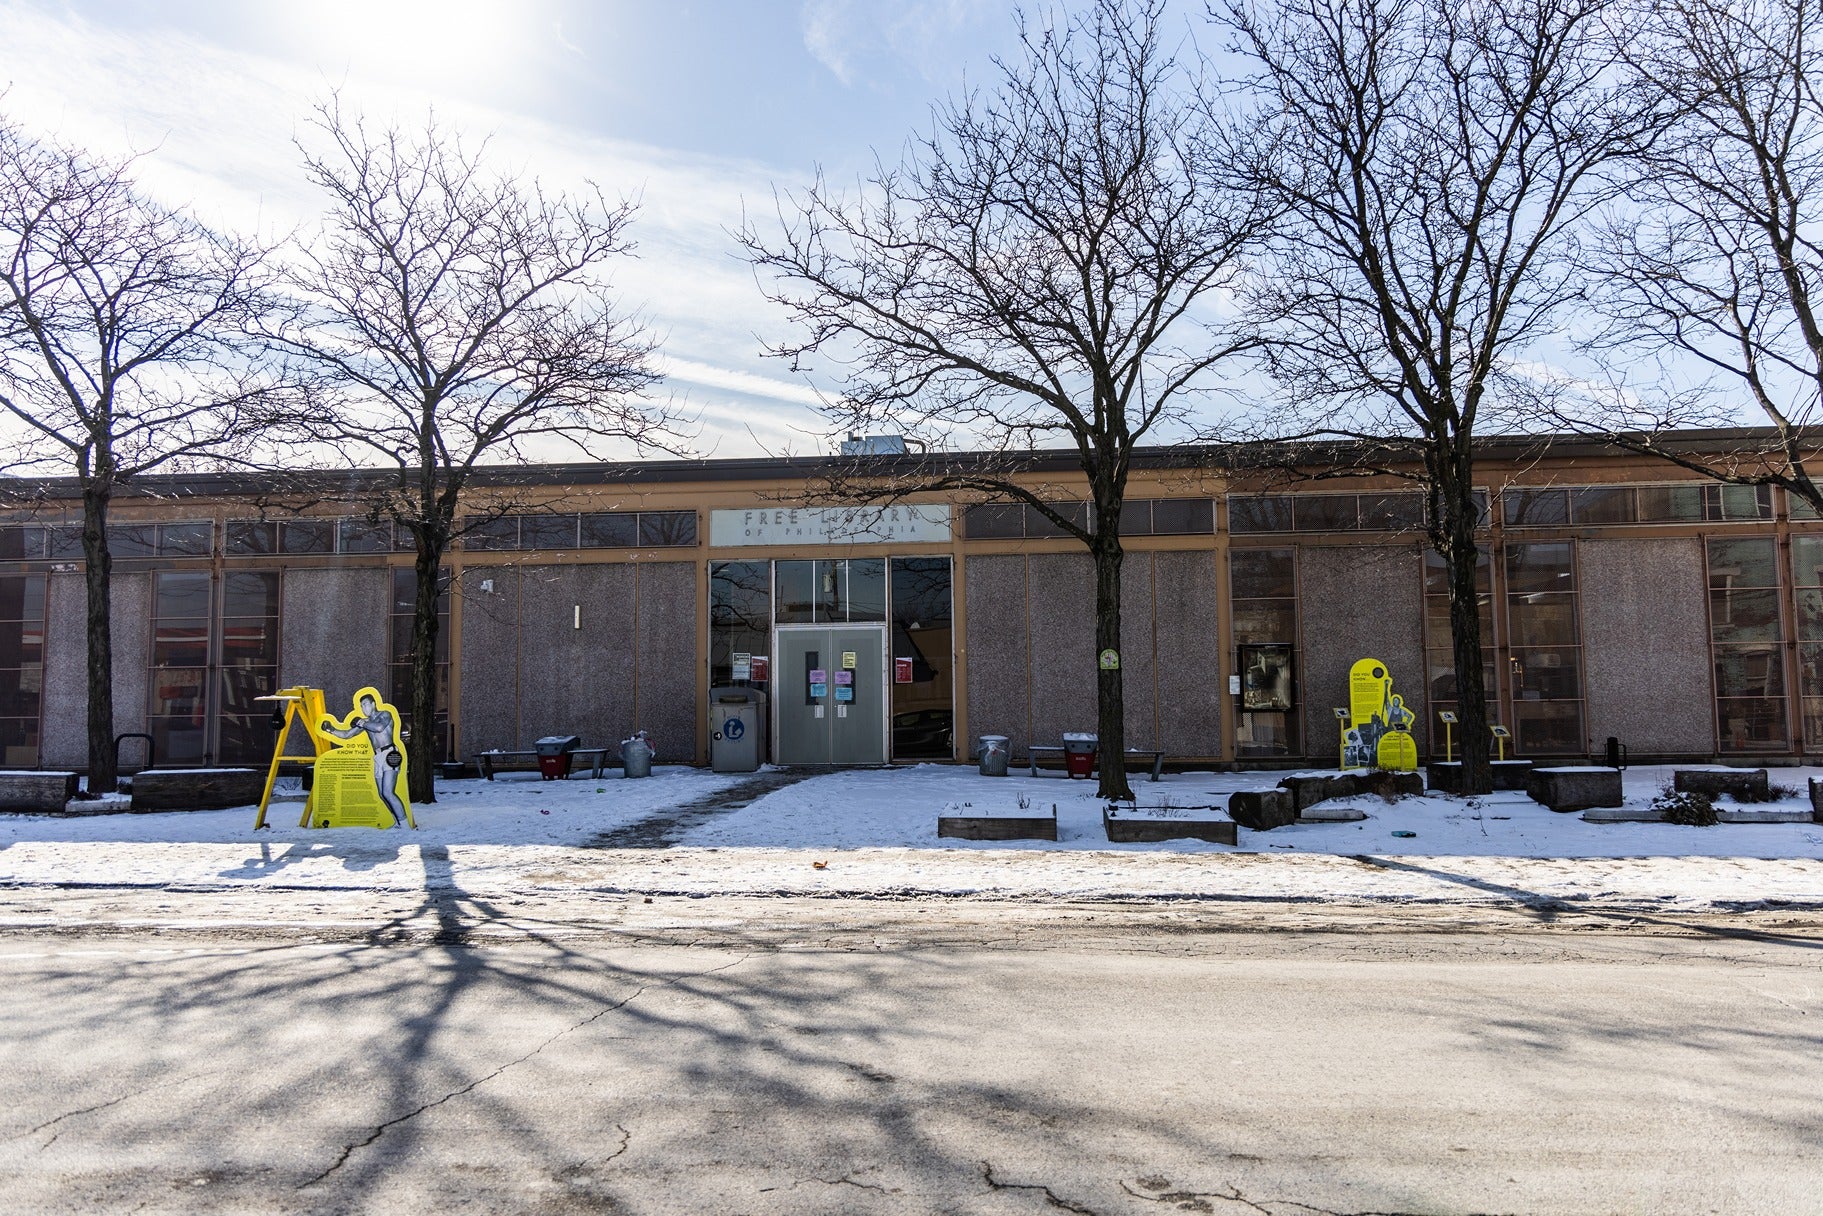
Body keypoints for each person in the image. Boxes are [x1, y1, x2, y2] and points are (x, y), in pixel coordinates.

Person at [321, 692, 408, 826]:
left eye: (365, 704)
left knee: (388, 792)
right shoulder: (365, 722)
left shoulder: (385, 714)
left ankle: (406, 826)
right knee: (381, 794)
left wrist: (361, 722)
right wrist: (331, 729)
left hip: (391, 754)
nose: (363, 708)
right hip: (378, 756)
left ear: (373, 704)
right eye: (361, 706)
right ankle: (397, 822)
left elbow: (379, 728)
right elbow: (346, 735)